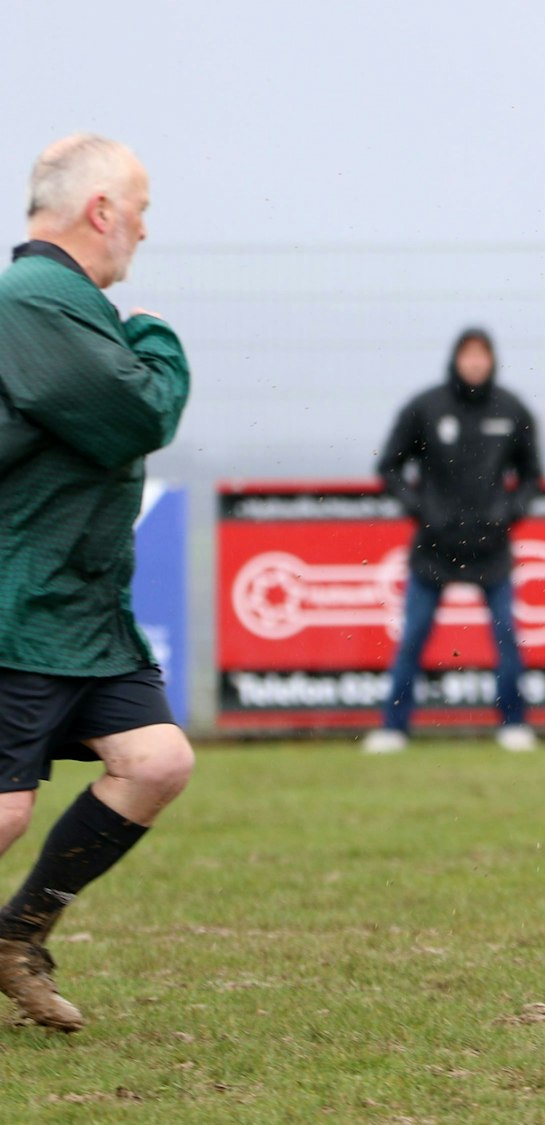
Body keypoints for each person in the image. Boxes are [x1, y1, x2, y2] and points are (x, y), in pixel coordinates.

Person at [0, 134, 195, 1032]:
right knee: (6, 808)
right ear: (101, 211)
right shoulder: (35, 297)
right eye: (141, 211)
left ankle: (16, 939)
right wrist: (154, 335)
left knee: (156, 761)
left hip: (78, 611)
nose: (144, 231)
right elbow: (138, 414)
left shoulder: (63, 304)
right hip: (20, 606)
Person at [363, 328, 543, 753]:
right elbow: (389, 468)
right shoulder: (425, 408)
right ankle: (393, 728)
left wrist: (508, 513)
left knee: (506, 637)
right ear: (456, 359)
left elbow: (532, 476)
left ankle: (514, 724)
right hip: (435, 547)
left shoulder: (512, 409)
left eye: (482, 355)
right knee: (413, 637)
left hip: (491, 548)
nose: (475, 362)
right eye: (468, 355)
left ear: (492, 360)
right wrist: (421, 509)